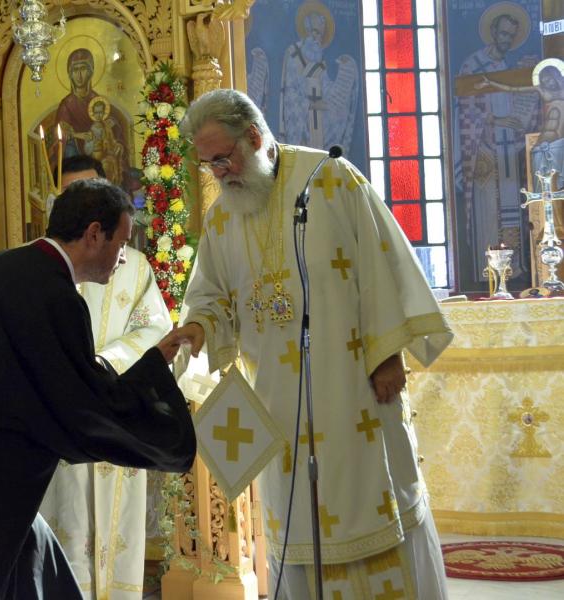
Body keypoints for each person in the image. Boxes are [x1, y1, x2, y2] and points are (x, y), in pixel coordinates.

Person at [178, 89, 454, 598]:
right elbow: (211, 296)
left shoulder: (330, 180)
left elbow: (379, 263)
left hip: (355, 389)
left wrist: (388, 352)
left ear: (254, 137)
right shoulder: (222, 218)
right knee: (297, 526)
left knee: (372, 504)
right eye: (208, 163)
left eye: (223, 158)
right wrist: (197, 327)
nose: (218, 173)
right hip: (278, 403)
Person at [0, 178, 196, 599]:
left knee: (32, 558)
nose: (123, 257)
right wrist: (154, 386)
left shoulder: (4, 269)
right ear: (93, 234)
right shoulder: (51, 293)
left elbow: (55, 388)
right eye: (121, 242)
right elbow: (81, 409)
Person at [39, 156, 172, 599]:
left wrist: (106, 362)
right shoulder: (44, 263)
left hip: (114, 403)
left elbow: (154, 328)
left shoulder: (132, 265)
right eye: (72, 192)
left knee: (116, 527)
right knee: (67, 514)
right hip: (63, 412)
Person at [454, 4, 537, 276]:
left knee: (513, 204)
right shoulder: (473, 65)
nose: (507, 40)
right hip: (485, 149)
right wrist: (496, 120)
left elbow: (519, 103)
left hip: (510, 148)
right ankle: (488, 270)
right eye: (503, 34)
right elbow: (466, 109)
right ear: (492, 32)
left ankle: (513, 268)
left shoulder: (507, 66)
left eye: (511, 36)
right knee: (489, 209)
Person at [278, 0, 358, 153]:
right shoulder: (293, 54)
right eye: (314, 32)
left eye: (320, 35)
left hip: (318, 124)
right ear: (306, 29)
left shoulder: (319, 61)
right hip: (300, 122)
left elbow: (326, 89)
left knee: (320, 153)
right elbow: (290, 94)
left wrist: (345, 75)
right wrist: (310, 105)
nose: (317, 39)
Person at [49, 49, 133, 189]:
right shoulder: (67, 105)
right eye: (75, 70)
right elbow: (61, 138)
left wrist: (113, 135)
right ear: (70, 73)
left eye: (83, 69)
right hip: (75, 158)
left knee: (108, 165)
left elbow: (112, 131)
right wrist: (71, 135)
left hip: (99, 153)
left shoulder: (97, 100)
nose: (79, 75)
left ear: (91, 71)